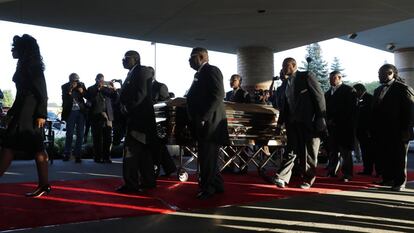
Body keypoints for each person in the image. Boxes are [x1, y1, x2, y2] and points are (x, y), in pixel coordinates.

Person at [0, 34, 50, 197]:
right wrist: (12, 112)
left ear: (24, 49)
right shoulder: (25, 65)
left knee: (10, 145)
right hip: (24, 111)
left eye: (15, 47)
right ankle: (44, 185)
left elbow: (42, 92)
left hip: (30, 113)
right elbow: (21, 94)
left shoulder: (33, 67)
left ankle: (44, 185)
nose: (12, 49)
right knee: (34, 147)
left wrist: (41, 114)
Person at [272, 57, 326, 189]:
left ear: (293, 65)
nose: (283, 68)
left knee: (309, 152)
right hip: (292, 122)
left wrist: (321, 117)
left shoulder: (306, 76)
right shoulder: (285, 84)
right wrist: (279, 125)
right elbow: (285, 106)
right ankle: (282, 177)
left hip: (309, 121)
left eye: (286, 65)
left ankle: (308, 179)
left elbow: (319, 96)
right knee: (291, 150)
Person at [186, 47, 229, 199]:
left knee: (207, 157)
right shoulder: (199, 74)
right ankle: (217, 184)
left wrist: (204, 118)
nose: (189, 60)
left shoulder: (211, 70)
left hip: (210, 123)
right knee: (208, 157)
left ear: (202, 56)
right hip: (204, 122)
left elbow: (218, 94)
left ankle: (208, 188)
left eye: (192, 57)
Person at [116, 50, 157, 193]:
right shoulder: (132, 73)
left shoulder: (142, 71)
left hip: (139, 121)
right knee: (144, 154)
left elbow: (141, 94)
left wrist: (127, 108)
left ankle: (131, 184)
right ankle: (148, 181)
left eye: (125, 58)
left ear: (135, 59)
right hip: (137, 121)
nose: (123, 60)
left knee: (130, 153)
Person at [371, 64, 414, 191]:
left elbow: (410, 111)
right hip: (382, 131)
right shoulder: (377, 90)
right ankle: (388, 179)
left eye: (382, 73)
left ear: (391, 74)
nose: (379, 75)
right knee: (385, 155)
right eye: (379, 72)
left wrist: (406, 129)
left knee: (399, 157)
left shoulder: (403, 88)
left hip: (399, 131)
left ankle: (400, 182)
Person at [325, 71, 357, 182]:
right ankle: (331, 171)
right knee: (333, 151)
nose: (330, 80)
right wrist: (328, 120)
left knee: (345, 152)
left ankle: (347, 174)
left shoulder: (349, 90)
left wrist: (336, 120)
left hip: (344, 127)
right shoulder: (328, 93)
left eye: (333, 78)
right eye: (329, 78)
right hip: (332, 128)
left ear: (339, 77)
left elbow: (350, 109)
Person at [149, 66, 177, 177]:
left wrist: (154, 104)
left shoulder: (160, 86)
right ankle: (169, 168)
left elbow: (166, 103)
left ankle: (155, 170)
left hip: (159, 122)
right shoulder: (145, 87)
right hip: (149, 120)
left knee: (157, 146)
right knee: (159, 147)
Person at [85, 74, 118, 163]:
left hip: (108, 115)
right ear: (95, 79)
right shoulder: (91, 88)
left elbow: (115, 97)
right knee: (97, 138)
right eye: (99, 80)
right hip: (96, 115)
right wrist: (98, 89)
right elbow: (88, 98)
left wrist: (113, 88)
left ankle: (106, 157)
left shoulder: (107, 89)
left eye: (102, 80)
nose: (101, 81)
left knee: (108, 138)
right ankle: (97, 157)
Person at [61, 73, 87, 163]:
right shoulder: (64, 86)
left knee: (80, 134)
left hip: (81, 112)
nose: (76, 82)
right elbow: (65, 98)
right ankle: (67, 153)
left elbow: (87, 96)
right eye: (74, 80)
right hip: (70, 112)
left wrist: (82, 92)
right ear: (70, 80)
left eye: (77, 80)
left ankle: (78, 155)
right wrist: (71, 89)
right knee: (69, 134)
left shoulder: (81, 85)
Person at [353, 83, 375, 176]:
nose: (353, 94)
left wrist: (369, 129)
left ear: (360, 91)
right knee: (365, 151)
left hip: (367, 131)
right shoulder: (357, 100)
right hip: (360, 130)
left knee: (370, 151)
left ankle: (375, 170)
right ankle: (367, 170)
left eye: (355, 92)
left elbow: (371, 115)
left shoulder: (369, 99)